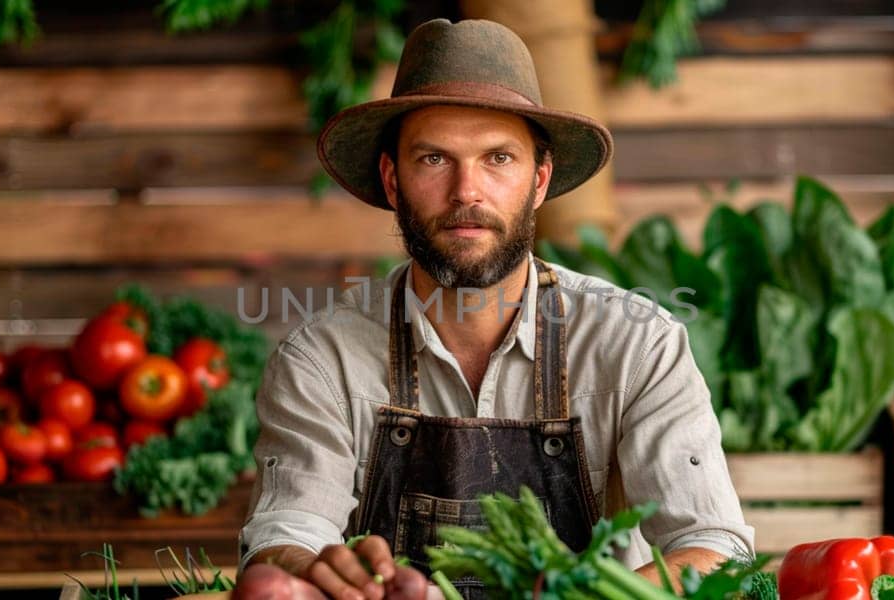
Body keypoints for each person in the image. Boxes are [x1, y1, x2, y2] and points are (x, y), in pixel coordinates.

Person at [234, 18, 753, 600]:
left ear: (539, 181)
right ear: (392, 180)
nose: (467, 192)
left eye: (499, 158)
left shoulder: (637, 345)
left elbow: (712, 545)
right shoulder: (320, 359)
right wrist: (309, 571)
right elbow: (285, 532)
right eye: (433, 159)